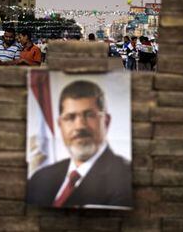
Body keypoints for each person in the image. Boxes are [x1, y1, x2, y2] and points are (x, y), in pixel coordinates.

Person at [27, 80, 132, 208]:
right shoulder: (40, 179)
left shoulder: (126, 179)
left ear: (106, 121)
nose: (80, 126)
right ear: (60, 124)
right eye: (70, 117)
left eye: (89, 115)